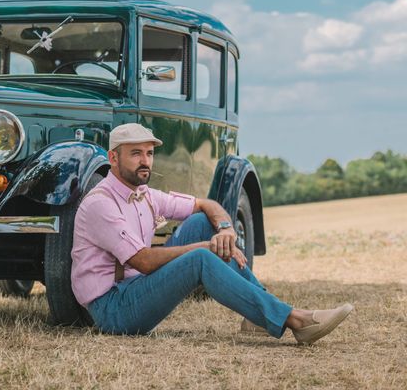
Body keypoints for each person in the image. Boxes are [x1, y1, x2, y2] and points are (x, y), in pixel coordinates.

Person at [71, 123, 353, 343]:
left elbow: (206, 204)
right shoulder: (101, 203)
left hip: (136, 287)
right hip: (114, 309)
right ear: (113, 158)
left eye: (149, 153)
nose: (145, 161)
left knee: (203, 223)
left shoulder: (144, 194)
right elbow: (142, 261)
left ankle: (259, 317)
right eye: (135, 154)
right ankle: (295, 320)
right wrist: (204, 248)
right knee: (200, 258)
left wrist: (226, 231)